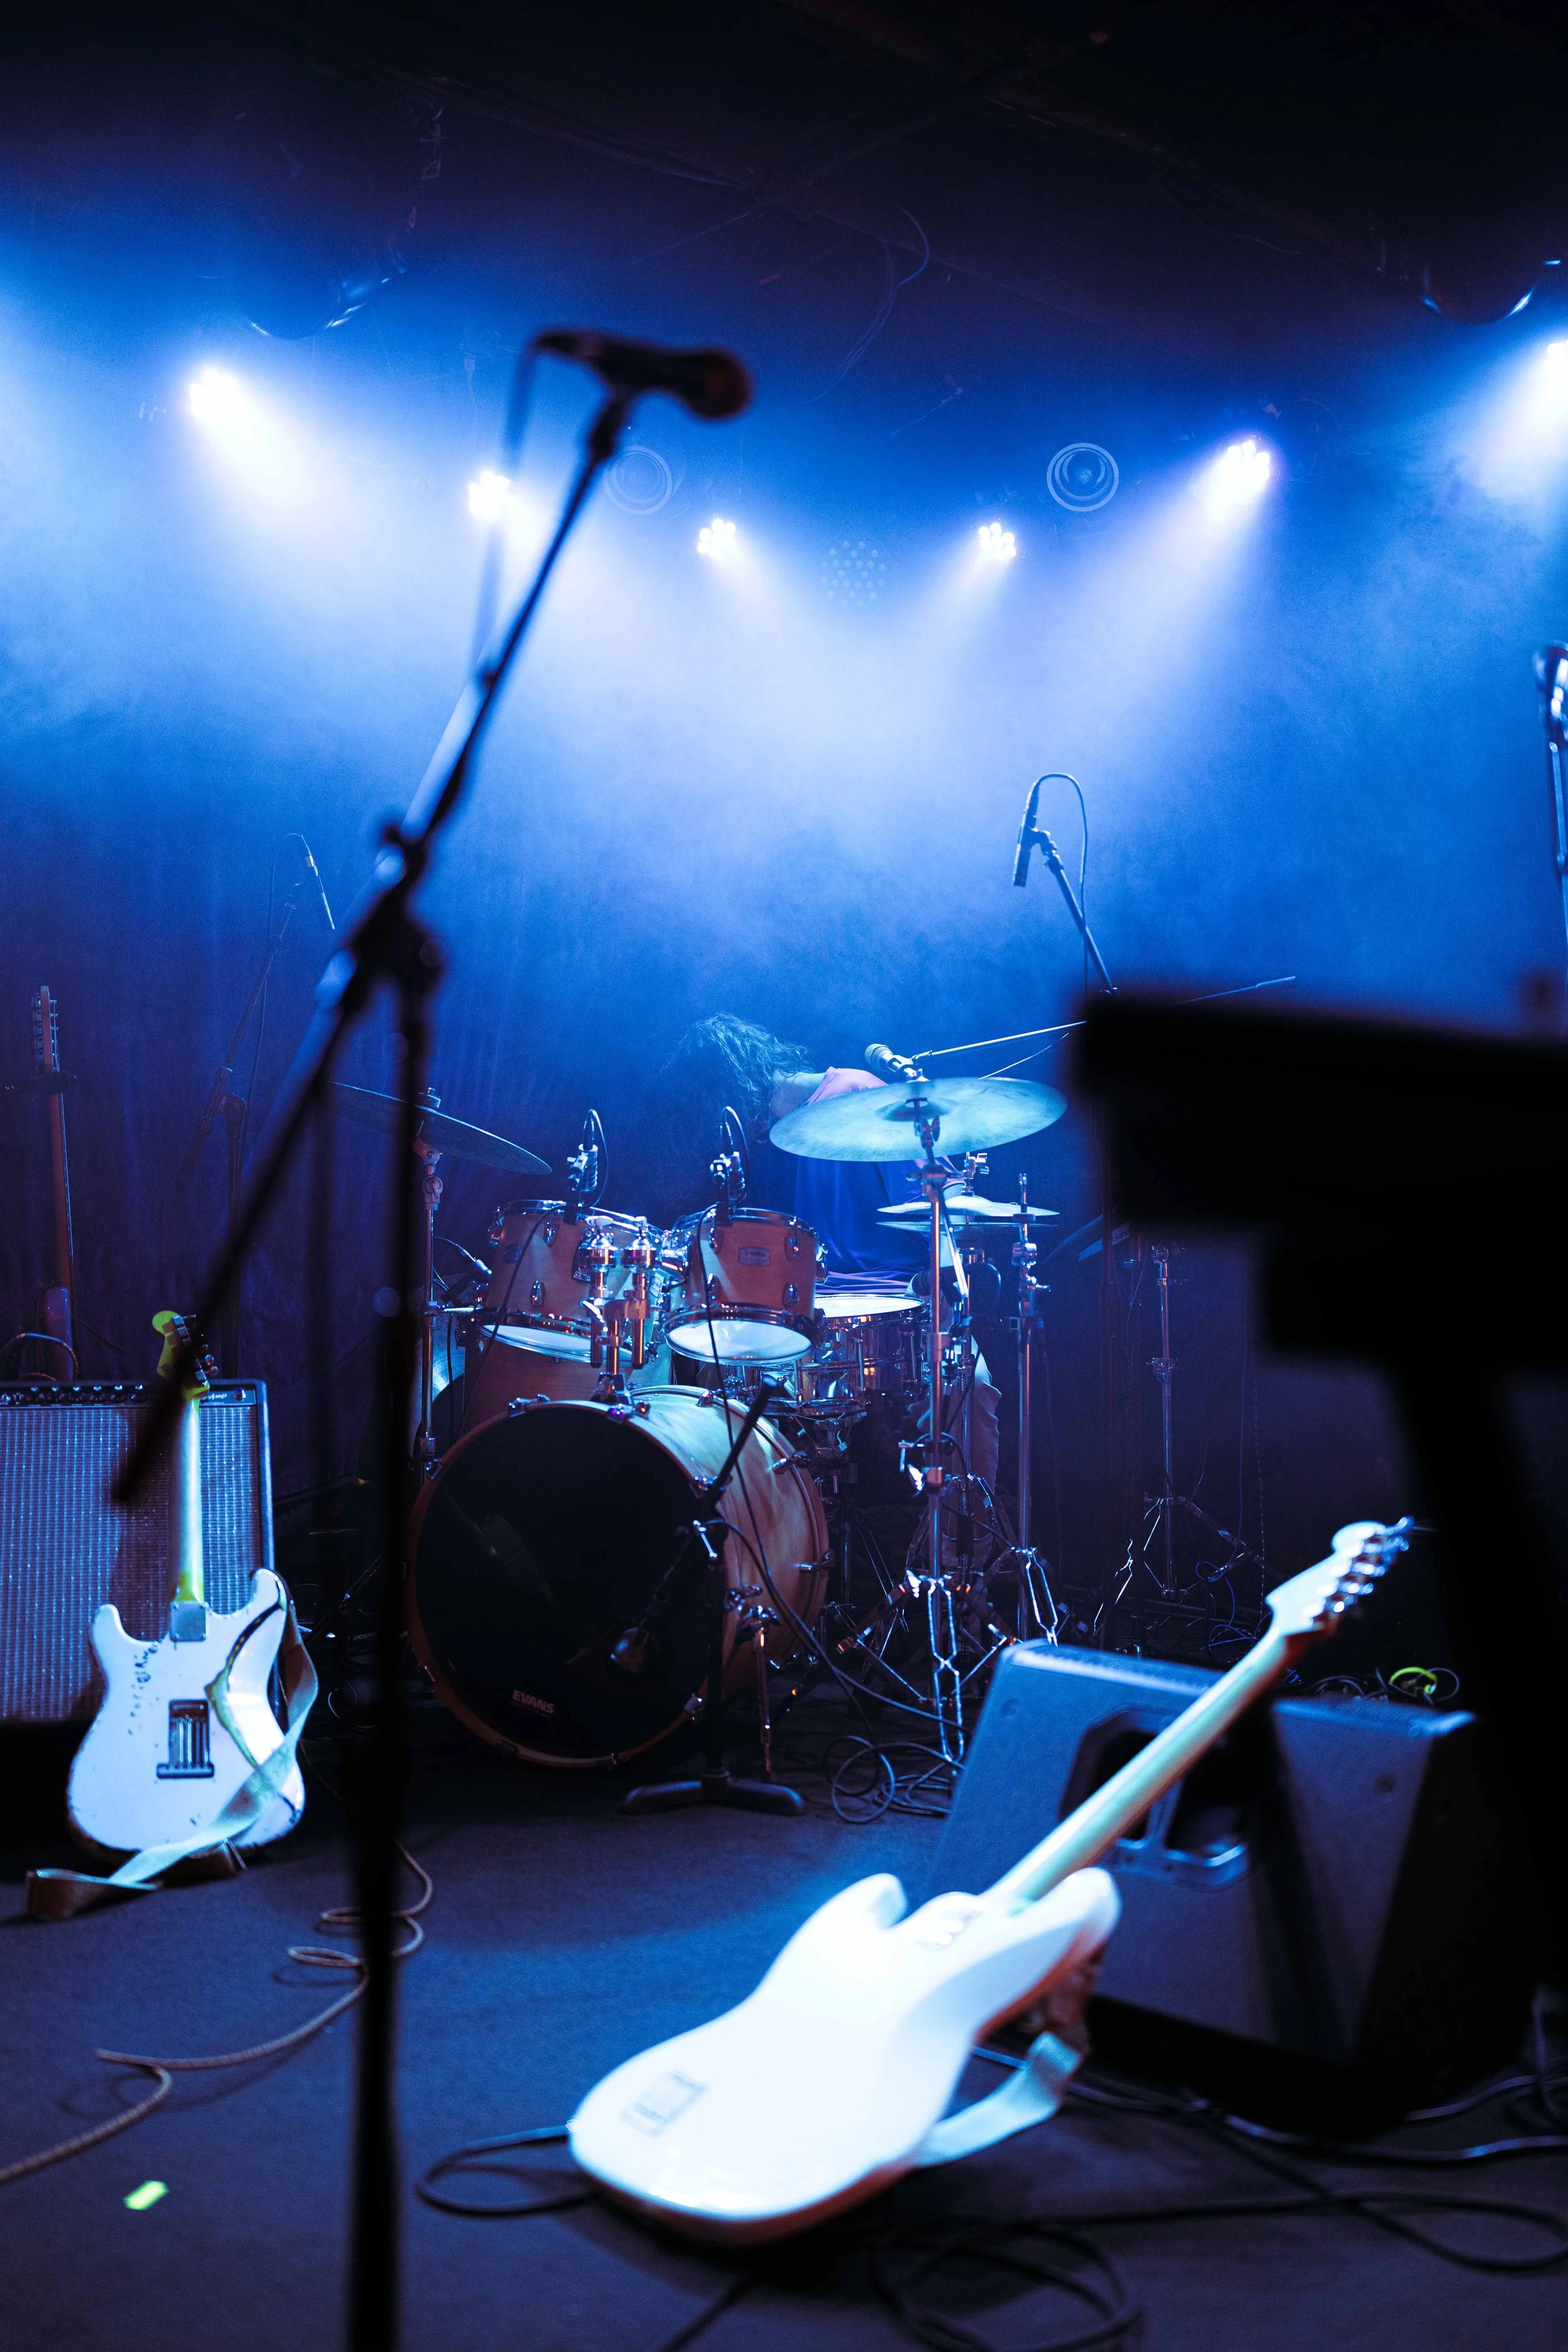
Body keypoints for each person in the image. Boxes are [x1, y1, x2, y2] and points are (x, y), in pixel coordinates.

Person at [658, 1015, 1000, 1495]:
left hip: (900, 1307)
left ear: (734, 1086)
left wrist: (945, 1287)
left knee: (972, 1390)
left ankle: (968, 1556)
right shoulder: (792, 1132)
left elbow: (941, 1206)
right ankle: (766, 1544)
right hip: (816, 1312)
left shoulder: (858, 1095)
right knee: (716, 1379)